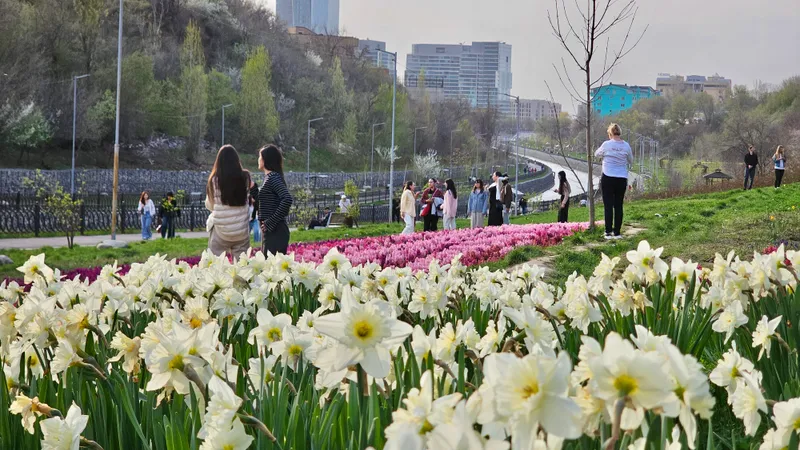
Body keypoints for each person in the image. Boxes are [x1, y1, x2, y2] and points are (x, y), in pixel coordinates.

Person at [205, 145, 251, 258]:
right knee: (242, 267)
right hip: (241, 230)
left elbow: (210, 205)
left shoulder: (214, 180)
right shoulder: (245, 177)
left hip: (221, 231)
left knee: (215, 264)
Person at [594, 123, 633, 240]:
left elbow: (596, 154)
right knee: (618, 205)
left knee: (608, 205)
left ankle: (608, 232)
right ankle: (617, 233)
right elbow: (631, 160)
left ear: (610, 133)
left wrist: (606, 156)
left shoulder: (606, 144)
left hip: (608, 177)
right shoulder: (626, 146)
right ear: (620, 133)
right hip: (621, 178)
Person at [258, 145, 294, 255]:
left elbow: (287, 199)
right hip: (271, 231)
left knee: (271, 269)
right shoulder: (270, 177)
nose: (258, 159)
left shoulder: (273, 177)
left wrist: (270, 222)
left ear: (265, 159)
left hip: (276, 231)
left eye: (260, 156)